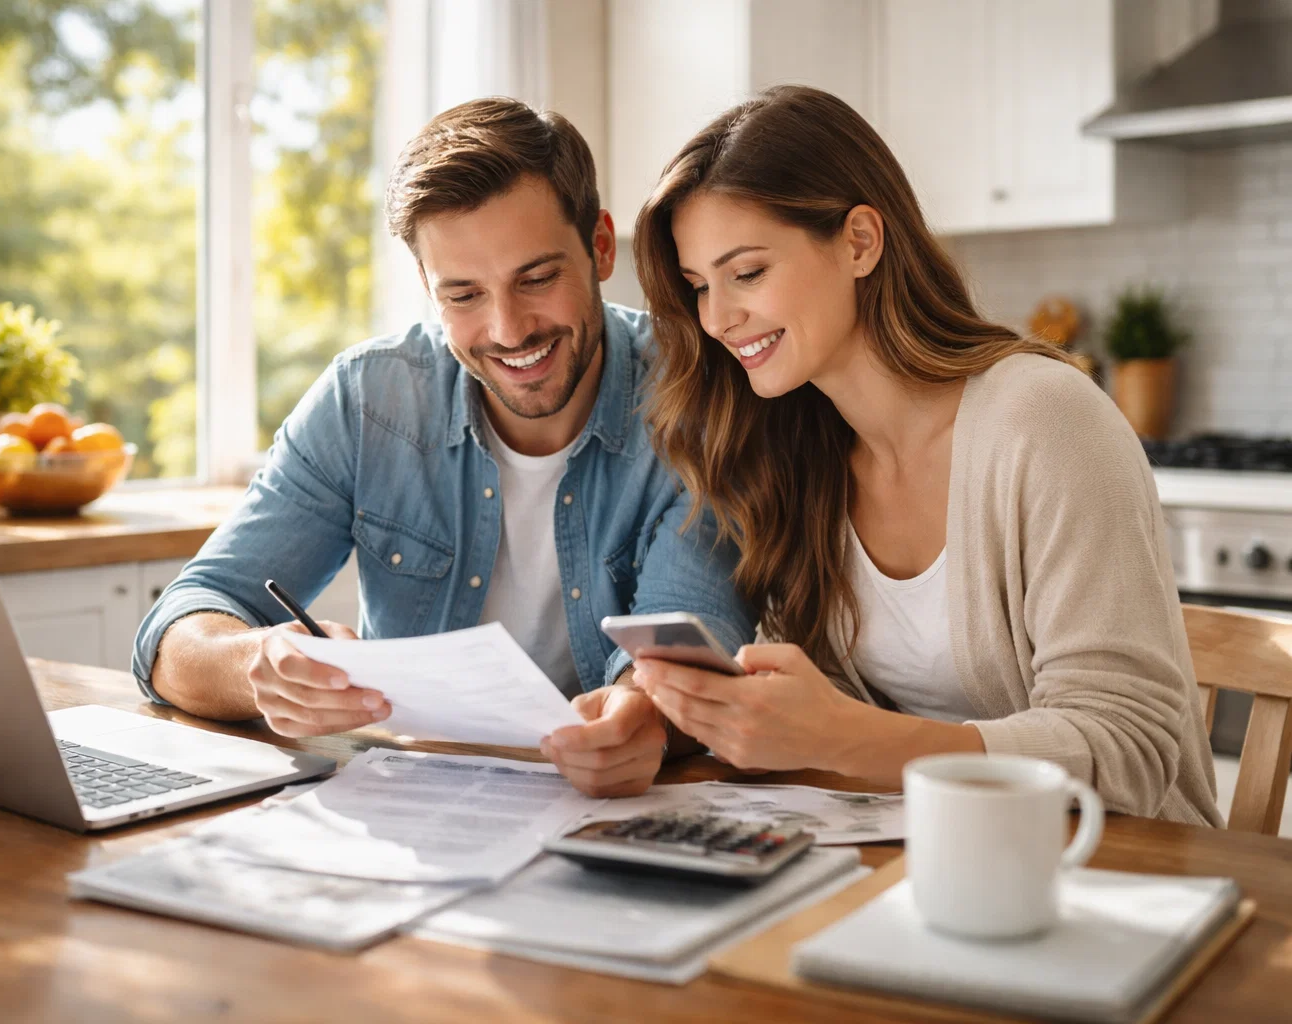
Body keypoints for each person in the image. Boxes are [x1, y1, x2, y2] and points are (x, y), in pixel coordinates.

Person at [627, 85, 1220, 826]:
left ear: (860, 242)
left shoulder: (1044, 421)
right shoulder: (799, 454)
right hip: (934, 865)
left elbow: (1130, 746)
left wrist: (853, 740)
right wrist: (671, 715)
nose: (717, 318)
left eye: (746, 273)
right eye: (698, 287)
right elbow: (816, 724)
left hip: (1120, 876)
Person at [133, 97, 756, 798]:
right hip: (413, 809)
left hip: (607, 816)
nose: (508, 329)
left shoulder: (699, 396)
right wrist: (259, 664)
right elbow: (181, 624)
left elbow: (690, 642)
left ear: (602, 246)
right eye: (462, 295)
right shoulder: (368, 400)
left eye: (538, 278)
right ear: (427, 289)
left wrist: (642, 717)